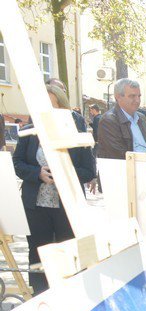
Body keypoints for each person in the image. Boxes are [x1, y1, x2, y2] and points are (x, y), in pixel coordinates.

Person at [13, 84, 96, 294]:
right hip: (36, 205)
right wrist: (37, 174)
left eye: (52, 107)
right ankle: (40, 295)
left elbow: (88, 170)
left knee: (67, 253)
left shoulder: (76, 128)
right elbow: (18, 164)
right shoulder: (29, 130)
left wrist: (63, 174)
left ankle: (68, 295)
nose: (46, 113)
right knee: (37, 253)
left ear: (62, 107)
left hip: (66, 206)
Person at [96, 78, 146, 160]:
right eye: (132, 96)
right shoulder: (109, 120)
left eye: (139, 96)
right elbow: (119, 155)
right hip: (128, 169)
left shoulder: (142, 118)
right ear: (118, 97)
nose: (137, 100)